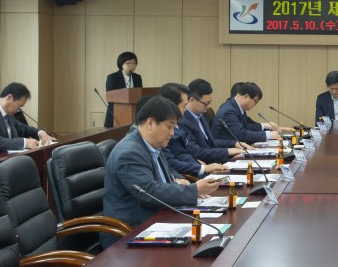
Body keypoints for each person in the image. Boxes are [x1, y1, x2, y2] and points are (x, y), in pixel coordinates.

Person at [101, 96, 220, 249]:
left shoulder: (152, 144)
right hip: (129, 232)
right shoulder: (129, 152)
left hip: (156, 219)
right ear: (150, 123)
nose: (172, 132)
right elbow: (149, 191)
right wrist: (193, 190)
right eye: (169, 126)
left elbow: (166, 173)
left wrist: (181, 182)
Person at [0, 82, 54, 158]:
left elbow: (23, 129)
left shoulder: (8, 114)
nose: (19, 110)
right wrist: (25, 142)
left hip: (6, 158)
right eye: (19, 106)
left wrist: (40, 132)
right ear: (9, 97)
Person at [159, 82, 226, 178]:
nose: (185, 110)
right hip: (189, 177)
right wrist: (202, 168)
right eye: (184, 105)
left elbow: (186, 153)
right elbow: (169, 162)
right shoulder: (164, 130)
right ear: (171, 105)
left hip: (196, 171)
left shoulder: (178, 125)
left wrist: (198, 164)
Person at [182, 79, 246, 162]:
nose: (208, 107)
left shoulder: (202, 115)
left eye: (209, 103)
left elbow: (210, 142)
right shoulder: (183, 121)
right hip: (204, 167)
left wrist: (234, 144)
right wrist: (227, 151)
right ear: (191, 100)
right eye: (206, 103)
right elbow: (197, 151)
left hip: (216, 161)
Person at [212, 82, 289, 145]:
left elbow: (248, 126)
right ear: (246, 97)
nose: (255, 105)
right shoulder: (229, 111)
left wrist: (268, 130)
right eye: (255, 101)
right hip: (229, 153)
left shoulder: (236, 107)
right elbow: (241, 134)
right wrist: (267, 135)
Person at [104, 51, 141, 127]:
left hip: (133, 113)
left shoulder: (137, 77)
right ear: (121, 64)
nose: (132, 65)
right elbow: (110, 96)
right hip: (116, 113)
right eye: (129, 63)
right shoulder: (112, 77)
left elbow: (140, 95)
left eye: (134, 63)